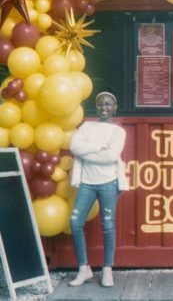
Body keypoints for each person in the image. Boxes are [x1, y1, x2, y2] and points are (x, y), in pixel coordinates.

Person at [68, 92, 128, 287]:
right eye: (100, 104)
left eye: (108, 104)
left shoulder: (118, 131)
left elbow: (110, 157)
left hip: (108, 182)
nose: (104, 107)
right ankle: (84, 269)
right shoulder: (87, 126)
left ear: (114, 107)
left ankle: (107, 269)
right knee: (75, 222)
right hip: (86, 182)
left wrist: (87, 151)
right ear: (96, 106)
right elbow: (74, 146)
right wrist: (98, 147)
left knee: (108, 225)